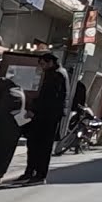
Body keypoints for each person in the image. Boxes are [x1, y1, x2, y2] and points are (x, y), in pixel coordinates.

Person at [20, 52, 67, 184]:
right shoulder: (54, 73)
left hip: (48, 116)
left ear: (50, 62)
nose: (41, 67)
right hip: (45, 115)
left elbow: (48, 98)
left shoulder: (56, 74)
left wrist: (34, 110)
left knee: (43, 146)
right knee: (34, 144)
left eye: (43, 64)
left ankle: (40, 175)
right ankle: (30, 171)